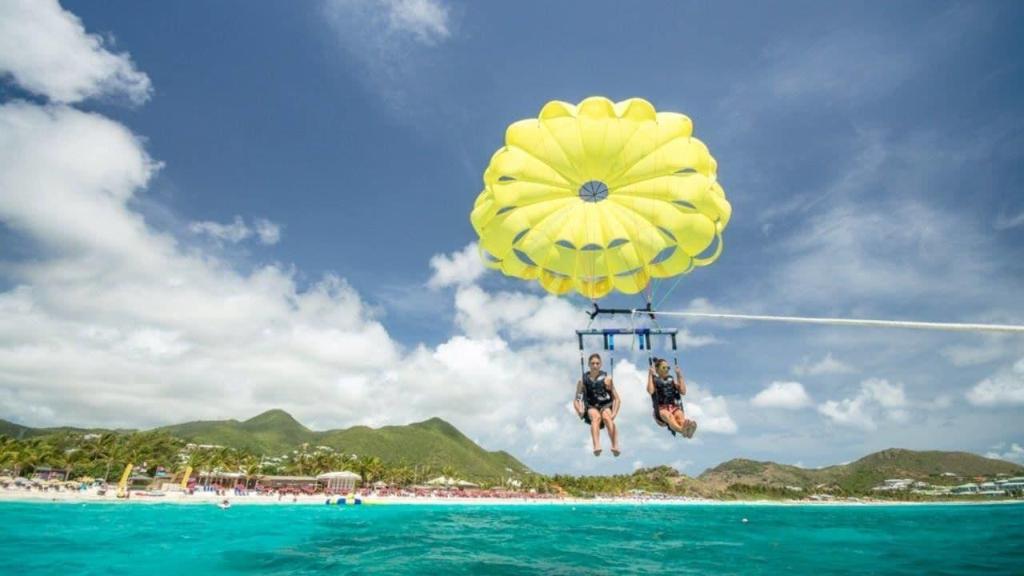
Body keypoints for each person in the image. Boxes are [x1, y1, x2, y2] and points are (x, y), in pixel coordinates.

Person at [574, 353, 621, 456]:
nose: (595, 365)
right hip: (591, 406)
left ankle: (615, 445)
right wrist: (579, 411)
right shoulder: (582, 381)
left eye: (597, 363)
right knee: (595, 417)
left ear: (601, 365)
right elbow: (576, 400)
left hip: (605, 404)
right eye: (592, 363)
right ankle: (596, 446)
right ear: (588, 364)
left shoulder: (607, 379)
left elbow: (617, 399)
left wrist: (614, 413)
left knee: (607, 417)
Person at [647, 357, 697, 438]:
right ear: (657, 369)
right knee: (669, 416)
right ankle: (682, 430)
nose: (667, 370)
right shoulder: (654, 380)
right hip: (660, 410)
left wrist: (679, 374)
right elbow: (650, 391)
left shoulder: (671, 380)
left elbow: (683, 391)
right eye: (664, 368)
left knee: (680, 416)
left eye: (668, 368)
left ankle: (688, 431)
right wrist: (650, 375)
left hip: (673, 407)